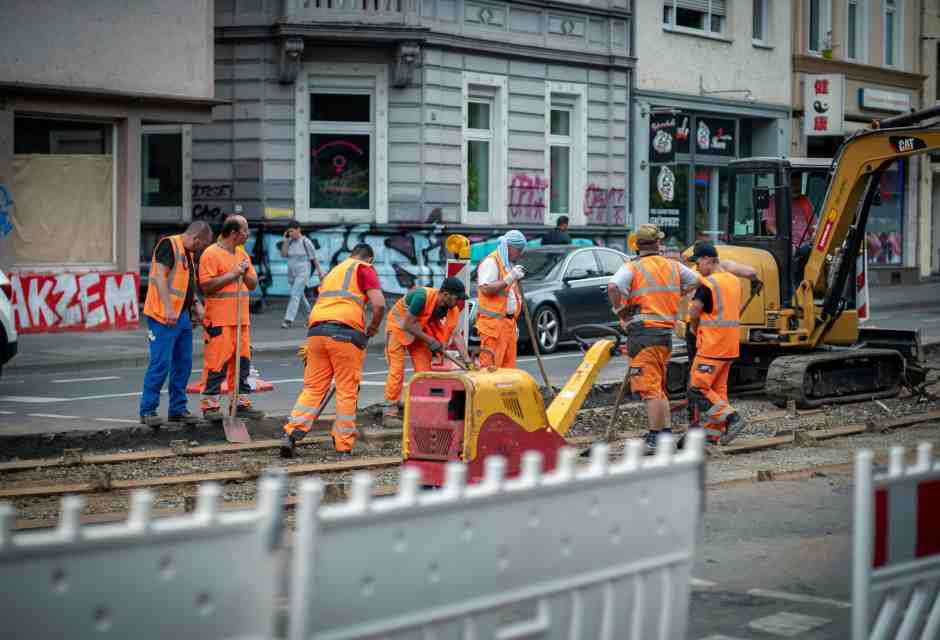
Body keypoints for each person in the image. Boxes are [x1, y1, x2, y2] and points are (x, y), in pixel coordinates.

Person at [280, 243, 386, 459]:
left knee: (312, 388)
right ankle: (343, 445)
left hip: (316, 332)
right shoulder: (364, 268)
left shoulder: (333, 272)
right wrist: (372, 329)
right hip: (346, 333)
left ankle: (290, 435)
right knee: (347, 390)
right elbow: (379, 305)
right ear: (369, 259)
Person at [607, 224, 703, 454]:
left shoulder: (632, 267)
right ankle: (666, 432)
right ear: (658, 243)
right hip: (663, 334)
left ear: (637, 245)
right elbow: (697, 281)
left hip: (642, 333)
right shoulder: (673, 266)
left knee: (649, 389)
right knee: (658, 386)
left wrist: (621, 312)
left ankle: (655, 437)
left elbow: (613, 286)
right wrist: (677, 294)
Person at [139, 221, 214, 428]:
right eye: (203, 245)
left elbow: (187, 285)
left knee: (183, 364)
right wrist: (168, 308)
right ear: (196, 238)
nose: (202, 250)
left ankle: (178, 409)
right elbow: (159, 277)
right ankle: (147, 410)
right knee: (160, 364)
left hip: (181, 316)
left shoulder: (187, 253)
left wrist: (197, 304)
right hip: (163, 316)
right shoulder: (168, 245)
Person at [686, 241, 761, 445]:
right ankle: (713, 435)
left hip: (711, 346)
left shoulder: (708, 285)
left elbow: (694, 312)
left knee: (697, 388)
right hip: (729, 345)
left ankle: (732, 418)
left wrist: (694, 329)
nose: (697, 267)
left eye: (698, 262)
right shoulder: (733, 280)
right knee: (717, 391)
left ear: (707, 260)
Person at [381, 277, 473, 427]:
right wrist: (431, 341)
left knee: (424, 372)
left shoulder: (452, 310)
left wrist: (467, 361)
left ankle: (420, 408)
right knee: (397, 371)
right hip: (397, 327)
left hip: (419, 330)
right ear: (445, 294)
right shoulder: (421, 296)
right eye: (457, 298)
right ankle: (390, 412)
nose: (459, 302)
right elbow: (407, 324)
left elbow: (456, 335)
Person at [198, 215, 264, 420]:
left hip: (241, 319)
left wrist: (244, 273)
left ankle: (241, 403)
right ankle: (210, 406)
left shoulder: (242, 253)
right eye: (245, 230)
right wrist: (234, 273)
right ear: (234, 233)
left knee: (242, 363)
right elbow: (207, 285)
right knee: (217, 363)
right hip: (219, 319)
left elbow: (252, 284)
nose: (248, 233)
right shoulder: (211, 254)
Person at [476, 230, 527, 369]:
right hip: (494, 328)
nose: (520, 253)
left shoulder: (508, 264)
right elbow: (485, 289)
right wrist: (510, 278)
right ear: (508, 246)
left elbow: (510, 295)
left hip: (507, 325)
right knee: (491, 369)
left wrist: (513, 321)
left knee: (508, 370)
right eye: (518, 249)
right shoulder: (491, 262)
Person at [280, 220, 323, 329]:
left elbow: (314, 258)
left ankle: (288, 319)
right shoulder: (290, 242)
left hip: (303, 271)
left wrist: (319, 272)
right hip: (291, 271)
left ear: (299, 229)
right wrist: (285, 241)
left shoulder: (306, 242)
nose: (290, 234)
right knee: (300, 295)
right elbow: (284, 254)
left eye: (292, 231)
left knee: (294, 294)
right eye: (289, 232)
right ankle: (311, 317)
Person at [763, 173, 815, 251]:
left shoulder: (805, 200)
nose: (797, 188)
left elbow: (813, 225)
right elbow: (770, 226)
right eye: (794, 184)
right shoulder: (774, 200)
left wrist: (814, 238)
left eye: (798, 185)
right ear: (786, 185)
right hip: (786, 247)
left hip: (805, 245)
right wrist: (786, 243)